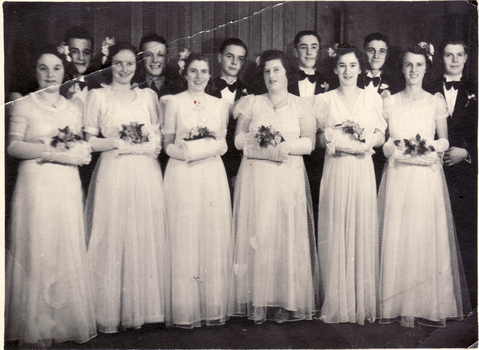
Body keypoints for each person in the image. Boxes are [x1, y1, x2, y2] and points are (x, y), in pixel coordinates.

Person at [5, 45, 96, 348]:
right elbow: (13, 147)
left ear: (64, 71)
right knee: (38, 246)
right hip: (36, 184)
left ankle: (64, 321)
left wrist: (74, 153)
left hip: (66, 183)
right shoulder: (24, 106)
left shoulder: (74, 108)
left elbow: (82, 147)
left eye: (56, 68)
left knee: (63, 244)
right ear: (35, 71)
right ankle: (36, 324)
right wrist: (50, 150)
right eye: (43, 68)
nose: (49, 75)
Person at [379, 42, 470, 327]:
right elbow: (381, 139)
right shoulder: (389, 100)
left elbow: (444, 141)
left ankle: (427, 302)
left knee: (424, 235)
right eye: (408, 65)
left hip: (426, 178)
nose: (413, 70)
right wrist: (390, 148)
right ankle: (396, 302)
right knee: (398, 234)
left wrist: (425, 146)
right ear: (402, 68)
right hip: (398, 177)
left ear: (426, 68)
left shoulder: (435, 101)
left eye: (419, 65)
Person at [229, 50, 319, 324]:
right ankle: (258, 299)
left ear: (287, 73)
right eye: (267, 71)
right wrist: (261, 143)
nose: (271, 76)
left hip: (287, 176)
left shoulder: (302, 105)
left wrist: (280, 146)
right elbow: (237, 140)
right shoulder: (251, 103)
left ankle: (286, 300)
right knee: (258, 232)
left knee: (285, 235)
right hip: (256, 178)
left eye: (276, 70)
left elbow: (309, 144)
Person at [84, 42, 168, 333]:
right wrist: (118, 142)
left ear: (137, 65)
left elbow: (157, 142)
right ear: (110, 65)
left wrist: (142, 145)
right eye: (118, 63)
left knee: (142, 233)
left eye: (130, 63)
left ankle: (145, 310)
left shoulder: (147, 96)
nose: (124, 69)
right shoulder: (98, 96)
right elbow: (90, 141)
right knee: (113, 233)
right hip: (114, 170)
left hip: (144, 173)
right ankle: (109, 311)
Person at [314, 45, 386, 324]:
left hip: (361, 169)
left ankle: (360, 303)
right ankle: (337, 301)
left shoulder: (373, 99)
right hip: (336, 169)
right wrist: (331, 141)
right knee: (336, 228)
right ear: (335, 69)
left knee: (360, 227)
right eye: (342, 65)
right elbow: (318, 138)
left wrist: (370, 141)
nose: (347, 71)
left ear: (360, 68)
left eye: (352, 65)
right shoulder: (324, 100)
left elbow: (380, 133)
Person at [162, 53, 232, 328]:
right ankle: (184, 306)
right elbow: (166, 144)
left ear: (209, 75)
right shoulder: (174, 102)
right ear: (185, 74)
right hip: (183, 173)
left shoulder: (219, 104)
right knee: (185, 234)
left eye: (204, 71)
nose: (199, 76)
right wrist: (185, 152)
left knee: (209, 233)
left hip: (211, 174)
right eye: (194, 71)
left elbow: (223, 143)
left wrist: (209, 148)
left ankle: (211, 305)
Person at [426, 39, 477, 309]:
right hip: (433, 171)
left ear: (467, 57)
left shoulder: (476, 89)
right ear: (441, 58)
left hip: (466, 174)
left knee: (466, 233)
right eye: (448, 55)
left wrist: (466, 152)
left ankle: (469, 302)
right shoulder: (429, 87)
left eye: (459, 55)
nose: (454, 60)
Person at [289, 30, 329, 226]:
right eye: (304, 47)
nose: (309, 52)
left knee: (315, 206)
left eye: (314, 47)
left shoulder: (330, 82)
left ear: (319, 52)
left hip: (318, 158)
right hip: (290, 153)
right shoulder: (284, 80)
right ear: (296, 52)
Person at [358, 32, 401, 189]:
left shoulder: (397, 84)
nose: (376, 56)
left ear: (387, 54)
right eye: (371, 50)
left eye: (381, 51)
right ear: (364, 51)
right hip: (356, 147)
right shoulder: (353, 78)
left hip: (382, 152)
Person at [137, 33, 185, 173]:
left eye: (160, 55)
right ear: (140, 59)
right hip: (143, 162)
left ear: (167, 58)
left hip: (173, 162)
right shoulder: (134, 88)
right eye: (148, 55)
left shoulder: (180, 88)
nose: (155, 60)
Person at [208, 38, 249, 195]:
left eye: (240, 59)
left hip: (238, 166)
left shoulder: (250, 94)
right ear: (219, 58)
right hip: (209, 161)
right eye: (229, 56)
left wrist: (237, 171)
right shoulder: (205, 90)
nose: (234, 62)